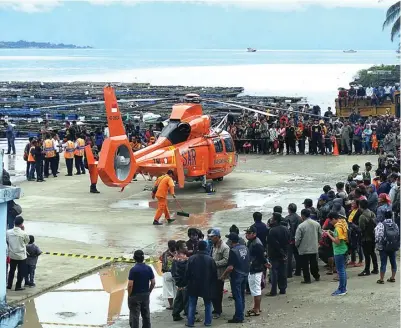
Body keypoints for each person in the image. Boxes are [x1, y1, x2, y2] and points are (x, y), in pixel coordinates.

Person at [186, 240, 217, 327]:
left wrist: (186, 283)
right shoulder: (210, 259)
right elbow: (214, 274)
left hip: (193, 284)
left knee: (192, 304)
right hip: (207, 285)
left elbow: (187, 273)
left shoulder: (191, 258)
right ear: (206, 247)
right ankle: (208, 322)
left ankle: (190, 322)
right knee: (208, 304)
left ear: (197, 247)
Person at [220, 233, 250, 324]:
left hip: (237, 276)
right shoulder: (245, 248)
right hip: (245, 274)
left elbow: (230, 267)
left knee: (237, 297)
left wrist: (223, 276)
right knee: (242, 295)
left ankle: (238, 317)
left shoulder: (233, 251)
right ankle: (240, 314)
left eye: (229, 240)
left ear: (231, 241)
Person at [127, 250, 155, 328]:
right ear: (143, 258)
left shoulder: (133, 270)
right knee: (146, 315)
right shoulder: (149, 268)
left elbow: (130, 285)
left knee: (135, 316)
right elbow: (153, 282)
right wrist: (149, 291)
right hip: (145, 295)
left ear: (134, 258)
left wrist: (129, 294)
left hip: (135, 295)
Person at [244, 226, 268, 317]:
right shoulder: (252, 242)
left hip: (256, 269)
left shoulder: (256, 243)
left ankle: (257, 309)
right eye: (246, 233)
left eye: (249, 233)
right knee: (255, 289)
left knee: (256, 289)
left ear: (254, 234)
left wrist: (266, 263)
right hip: (254, 268)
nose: (247, 235)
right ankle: (256, 307)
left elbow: (262, 256)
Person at [295, 209, 322, 284]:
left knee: (305, 265)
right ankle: (316, 276)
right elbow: (320, 235)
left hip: (304, 248)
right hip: (314, 247)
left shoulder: (301, 226)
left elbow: (297, 238)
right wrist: (318, 242)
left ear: (302, 216)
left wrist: (297, 245)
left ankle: (307, 279)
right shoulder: (316, 224)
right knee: (314, 263)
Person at [267, 212, 289, 296]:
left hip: (274, 254)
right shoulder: (285, 229)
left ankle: (273, 291)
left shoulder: (272, 231)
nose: (271, 220)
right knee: (283, 271)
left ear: (275, 220)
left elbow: (273, 244)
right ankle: (283, 289)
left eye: (272, 219)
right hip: (284, 254)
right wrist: (284, 253)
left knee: (274, 272)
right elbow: (288, 240)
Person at [326, 212, 348, 296]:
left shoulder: (338, 228)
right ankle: (343, 288)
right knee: (342, 270)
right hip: (344, 249)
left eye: (331, 221)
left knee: (340, 271)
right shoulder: (342, 223)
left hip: (339, 251)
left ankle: (342, 289)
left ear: (334, 219)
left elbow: (337, 242)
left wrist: (328, 235)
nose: (330, 223)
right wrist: (332, 233)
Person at [209, 228, 230, 319]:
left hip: (220, 274)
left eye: (212, 237)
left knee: (217, 293)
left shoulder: (224, 247)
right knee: (212, 292)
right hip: (212, 273)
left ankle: (218, 310)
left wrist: (214, 264)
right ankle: (216, 309)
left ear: (217, 237)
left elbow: (226, 260)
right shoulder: (213, 246)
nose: (211, 238)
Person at [375, 211, 399, 284]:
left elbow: (377, 236)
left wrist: (378, 244)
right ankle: (393, 277)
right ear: (391, 216)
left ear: (384, 216)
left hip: (384, 247)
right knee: (393, 262)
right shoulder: (395, 225)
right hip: (393, 246)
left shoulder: (381, 225)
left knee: (383, 263)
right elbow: (398, 234)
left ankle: (381, 279)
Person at [7, 216, 30, 290]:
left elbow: (7, 241)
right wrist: (23, 230)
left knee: (11, 271)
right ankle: (18, 286)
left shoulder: (8, 232)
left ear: (14, 223)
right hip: (21, 256)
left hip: (12, 254)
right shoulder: (24, 233)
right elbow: (27, 242)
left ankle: (9, 285)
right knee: (20, 271)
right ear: (21, 224)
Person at [358, 199, 379, 276]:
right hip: (373, 236)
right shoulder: (372, 213)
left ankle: (367, 270)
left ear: (360, 206)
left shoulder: (362, 217)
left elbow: (361, 228)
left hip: (366, 238)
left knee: (366, 254)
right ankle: (375, 268)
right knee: (372, 253)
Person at [171, 240, 189, 322]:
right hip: (184, 282)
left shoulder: (176, 257)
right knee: (186, 299)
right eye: (185, 246)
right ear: (180, 249)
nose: (187, 247)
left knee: (179, 299)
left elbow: (174, 272)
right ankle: (189, 315)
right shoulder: (183, 258)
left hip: (179, 281)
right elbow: (184, 271)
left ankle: (176, 314)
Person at [285, 203, 302, 278]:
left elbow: (286, 230)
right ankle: (298, 271)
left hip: (290, 240)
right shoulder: (299, 218)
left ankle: (289, 273)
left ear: (289, 210)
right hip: (297, 239)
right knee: (297, 256)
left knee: (289, 257)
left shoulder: (287, 218)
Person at [161, 240, 176, 310]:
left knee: (169, 290)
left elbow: (162, 261)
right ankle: (178, 304)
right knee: (176, 289)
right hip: (176, 273)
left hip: (167, 273)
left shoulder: (165, 253)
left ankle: (171, 305)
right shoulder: (178, 253)